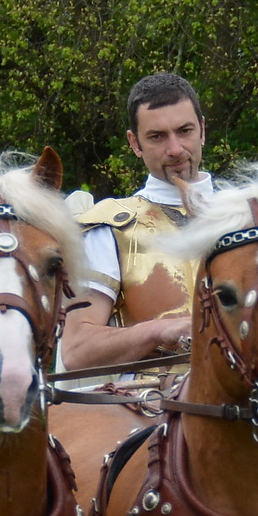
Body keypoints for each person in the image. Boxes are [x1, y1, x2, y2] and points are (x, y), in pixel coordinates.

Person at [60, 72, 215, 373]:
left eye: (185, 131)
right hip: (151, 410)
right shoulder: (111, 227)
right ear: (134, 143)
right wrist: (158, 331)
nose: (175, 149)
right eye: (157, 136)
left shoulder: (255, 216)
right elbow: (77, 349)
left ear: (203, 130)